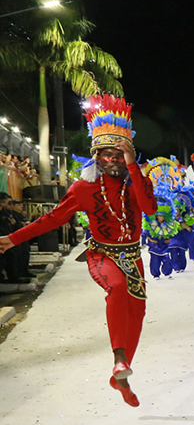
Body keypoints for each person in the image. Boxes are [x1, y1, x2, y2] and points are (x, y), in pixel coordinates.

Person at [0, 94, 156, 406]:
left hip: (133, 256)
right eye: (105, 154)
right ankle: (119, 356)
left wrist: (133, 165)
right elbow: (54, 218)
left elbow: (149, 209)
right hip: (102, 254)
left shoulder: (137, 180)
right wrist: (14, 238)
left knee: (136, 312)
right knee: (117, 286)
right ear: (95, 156)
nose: (112, 160)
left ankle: (120, 374)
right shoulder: (84, 187)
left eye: (119, 154)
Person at [143, 196, 177, 280]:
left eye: (162, 216)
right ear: (156, 216)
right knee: (155, 261)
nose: (161, 218)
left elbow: (171, 233)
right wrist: (151, 240)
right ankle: (156, 275)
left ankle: (167, 272)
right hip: (154, 246)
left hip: (164, 245)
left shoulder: (168, 224)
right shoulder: (151, 223)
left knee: (167, 259)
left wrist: (168, 239)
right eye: (159, 216)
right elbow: (145, 233)